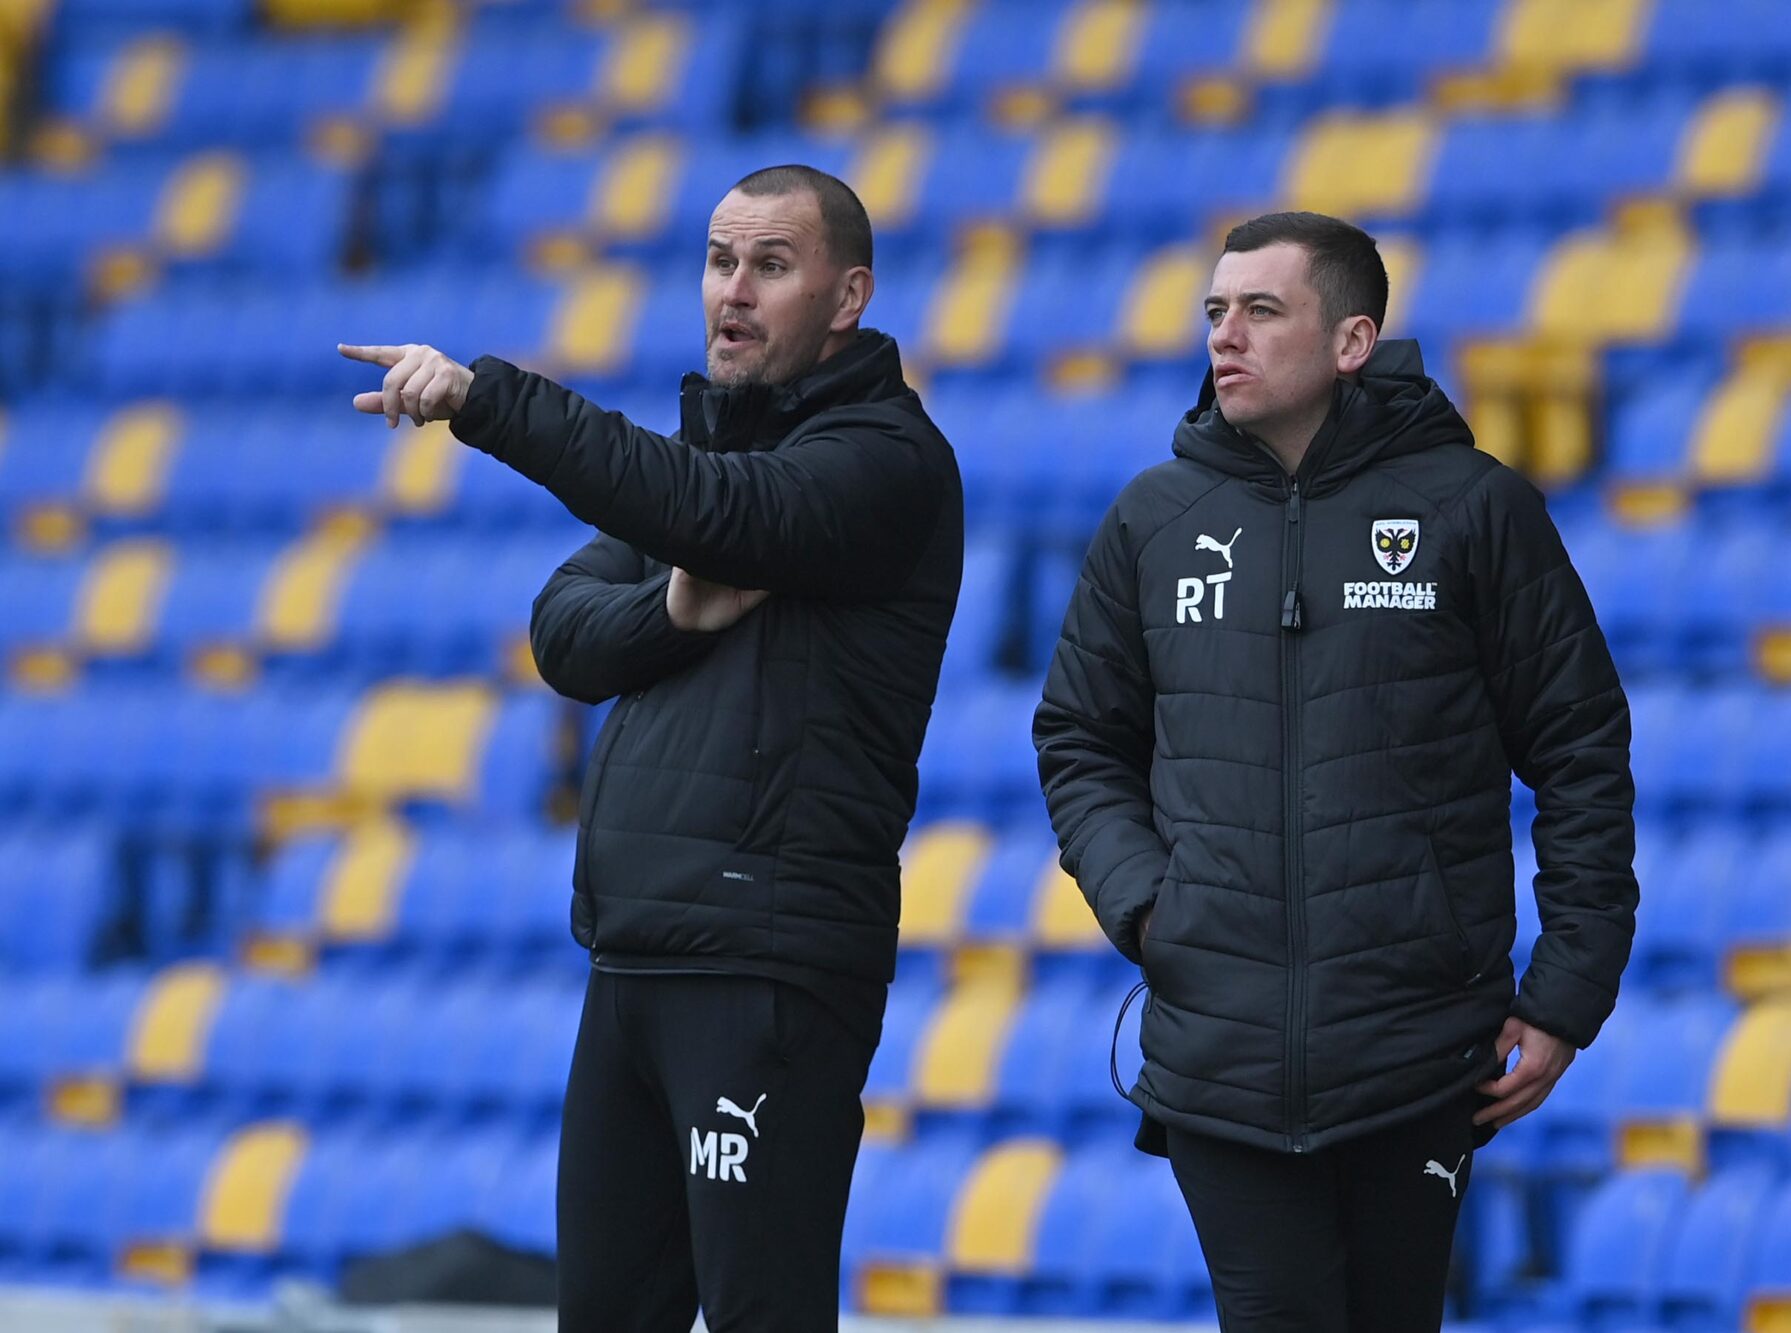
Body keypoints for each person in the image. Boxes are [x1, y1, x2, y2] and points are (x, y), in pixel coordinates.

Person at [339, 165, 963, 1332]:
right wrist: (675, 611)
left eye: (770, 265)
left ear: (847, 297)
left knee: (760, 1314)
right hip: (631, 959)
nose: (733, 290)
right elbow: (563, 634)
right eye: (719, 261)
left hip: (764, 962)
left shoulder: (884, 461)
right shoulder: (695, 468)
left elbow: (711, 516)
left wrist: (486, 401)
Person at [1034, 211, 1637, 1331]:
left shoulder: (1473, 509)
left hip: (1420, 1051)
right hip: (1219, 1052)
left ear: (1352, 340)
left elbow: (1580, 748)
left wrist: (1566, 992)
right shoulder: (1153, 521)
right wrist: (1151, 908)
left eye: (1261, 311)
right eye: (1215, 311)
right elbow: (1078, 736)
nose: (1225, 336)